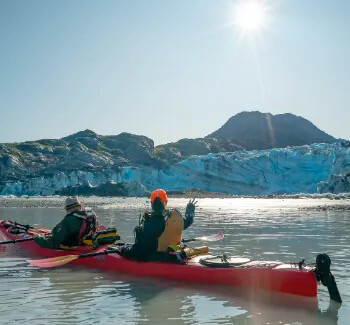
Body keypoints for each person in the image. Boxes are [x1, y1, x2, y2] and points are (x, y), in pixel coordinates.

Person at [121, 189, 197, 261]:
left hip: (160, 258)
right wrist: (190, 212)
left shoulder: (151, 222)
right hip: (176, 255)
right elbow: (188, 222)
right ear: (166, 202)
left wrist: (124, 250)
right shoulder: (176, 217)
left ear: (151, 203)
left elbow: (140, 252)